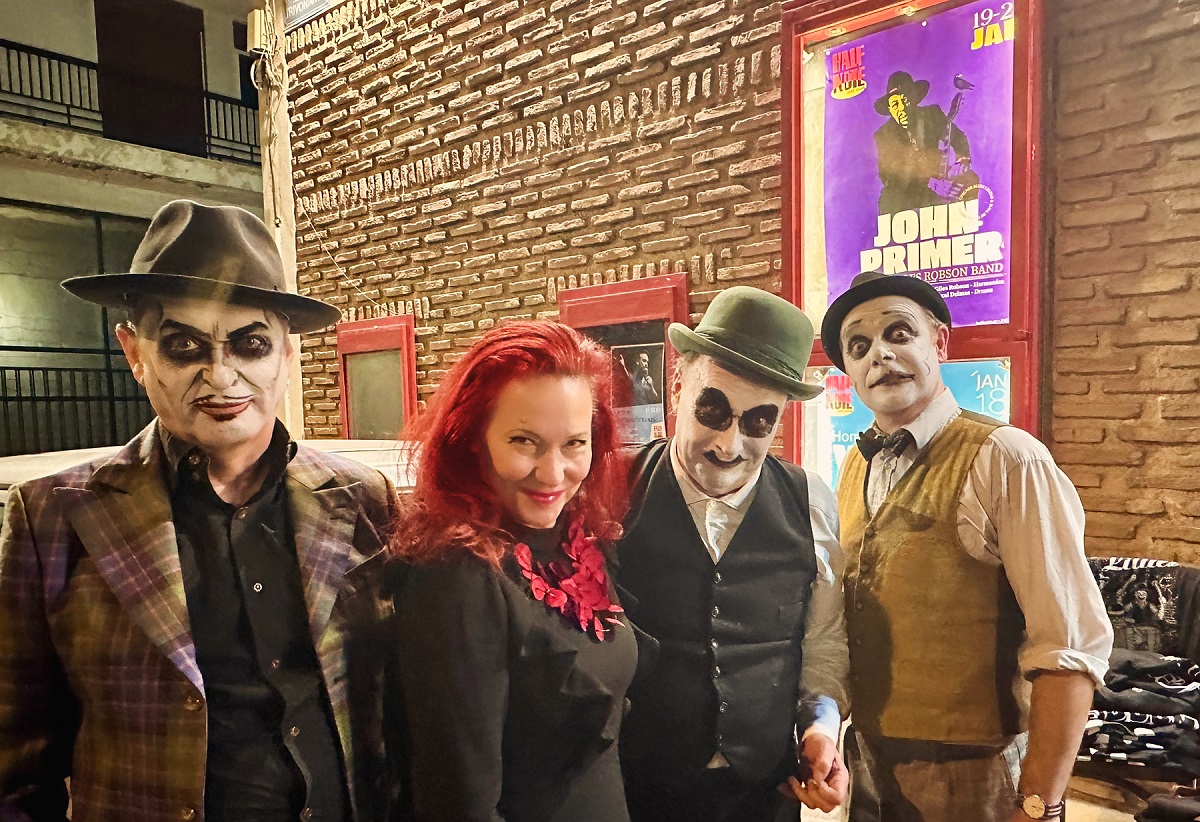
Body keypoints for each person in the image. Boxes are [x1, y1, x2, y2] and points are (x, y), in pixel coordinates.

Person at [0, 200, 398, 822]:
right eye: (183, 345)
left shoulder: (363, 497)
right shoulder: (51, 517)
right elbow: (15, 766)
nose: (221, 375)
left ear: (287, 355)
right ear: (134, 352)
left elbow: (399, 708)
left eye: (251, 344)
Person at [819, 271, 1114, 822]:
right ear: (849, 373)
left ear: (940, 343)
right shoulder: (857, 463)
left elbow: (1069, 646)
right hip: (870, 761)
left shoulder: (1008, 458)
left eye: (899, 333)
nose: (879, 354)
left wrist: (1040, 804)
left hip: (976, 772)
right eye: (858, 346)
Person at [615, 286, 850, 821]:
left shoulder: (810, 502)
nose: (729, 444)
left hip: (764, 793)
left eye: (757, 422)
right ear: (678, 388)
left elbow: (823, 642)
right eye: (713, 410)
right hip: (636, 788)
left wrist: (820, 729)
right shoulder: (612, 489)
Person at [386, 321, 637, 821]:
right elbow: (461, 803)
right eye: (525, 441)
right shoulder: (458, 575)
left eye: (574, 443)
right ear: (471, 438)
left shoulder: (576, 541)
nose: (552, 473)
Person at [872, 70, 979, 214]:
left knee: (971, 179)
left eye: (906, 100)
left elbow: (958, 137)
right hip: (908, 190)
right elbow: (888, 176)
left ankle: (965, 220)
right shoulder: (883, 135)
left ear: (914, 99)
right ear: (890, 109)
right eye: (896, 104)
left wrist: (962, 160)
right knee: (889, 199)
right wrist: (930, 183)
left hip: (939, 176)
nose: (902, 109)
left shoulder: (932, 114)